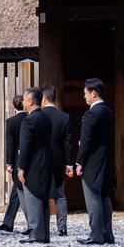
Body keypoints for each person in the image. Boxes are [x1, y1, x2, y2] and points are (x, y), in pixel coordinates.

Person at [73, 79, 115, 245]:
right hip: (106, 160)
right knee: (104, 196)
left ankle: (96, 234)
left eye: (85, 93)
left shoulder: (91, 114)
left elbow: (86, 141)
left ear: (94, 93)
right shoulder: (109, 112)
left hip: (93, 162)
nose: (84, 97)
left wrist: (79, 162)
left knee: (93, 197)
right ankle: (107, 233)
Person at [16, 87, 54, 244]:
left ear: (31, 101)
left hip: (33, 162)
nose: (23, 102)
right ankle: (44, 234)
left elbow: (25, 146)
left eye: (25, 100)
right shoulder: (46, 118)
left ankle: (36, 233)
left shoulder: (28, 120)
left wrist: (21, 167)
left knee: (32, 195)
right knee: (43, 196)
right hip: (46, 159)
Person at [42, 85, 72, 237]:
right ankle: (62, 227)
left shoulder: (38, 116)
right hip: (58, 160)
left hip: (41, 161)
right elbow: (68, 143)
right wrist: (69, 163)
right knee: (60, 195)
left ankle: (42, 227)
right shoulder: (64, 117)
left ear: (43, 98)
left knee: (41, 195)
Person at [0, 94, 27, 233]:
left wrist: (9, 163)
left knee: (21, 191)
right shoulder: (30, 118)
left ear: (13, 106)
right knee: (17, 191)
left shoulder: (11, 121)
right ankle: (8, 222)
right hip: (30, 159)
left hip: (17, 160)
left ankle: (32, 224)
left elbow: (10, 144)